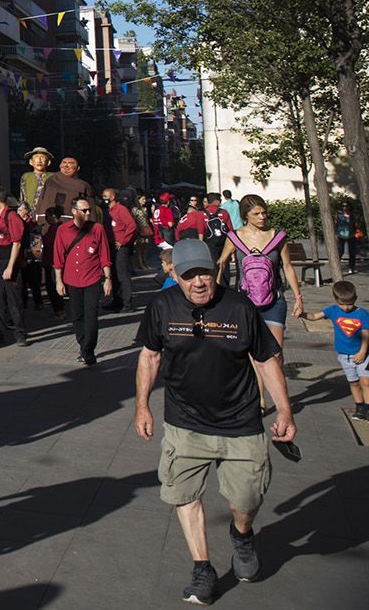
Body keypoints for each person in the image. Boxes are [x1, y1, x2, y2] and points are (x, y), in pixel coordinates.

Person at [133, 239, 294, 604]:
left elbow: (267, 359)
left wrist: (285, 410)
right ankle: (202, 568)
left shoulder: (240, 307)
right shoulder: (162, 306)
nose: (199, 282)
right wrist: (141, 405)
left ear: (216, 270)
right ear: (175, 274)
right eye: (188, 275)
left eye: (204, 272)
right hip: (184, 422)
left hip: (240, 421)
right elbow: (149, 357)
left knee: (247, 499)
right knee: (184, 495)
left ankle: (242, 535)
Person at [215, 195, 304, 413]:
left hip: (274, 300)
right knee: (253, 353)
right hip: (246, 302)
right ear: (245, 215)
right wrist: (216, 294)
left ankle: (278, 395)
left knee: (275, 352)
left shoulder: (277, 236)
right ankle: (260, 399)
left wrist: (299, 298)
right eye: (256, 214)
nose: (262, 217)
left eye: (264, 212)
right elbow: (221, 262)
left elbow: (288, 267)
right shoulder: (235, 237)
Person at [52, 197, 114, 366]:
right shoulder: (63, 230)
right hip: (71, 279)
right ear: (74, 212)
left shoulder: (98, 229)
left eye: (89, 210)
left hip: (92, 278)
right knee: (77, 316)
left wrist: (107, 279)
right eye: (84, 210)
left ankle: (88, 349)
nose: (88, 213)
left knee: (91, 315)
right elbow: (58, 258)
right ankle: (83, 345)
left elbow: (104, 256)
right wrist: (58, 281)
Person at [302, 280, 369, 420]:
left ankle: (368, 407)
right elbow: (314, 316)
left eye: (349, 303)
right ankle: (360, 406)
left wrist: (362, 352)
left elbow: (365, 335)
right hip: (344, 355)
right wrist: (302, 314)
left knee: (366, 382)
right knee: (354, 382)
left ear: (355, 299)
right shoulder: (333, 310)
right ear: (336, 300)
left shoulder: (362, 314)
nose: (346, 308)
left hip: (362, 354)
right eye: (342, 304)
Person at [0, 188, 27, 346]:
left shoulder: (12, 217)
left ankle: (20, 333)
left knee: (13, 299)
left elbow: (17, 243)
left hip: (9, 259)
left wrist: (10, 267)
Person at [102, 187, 138, 312]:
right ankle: (117, 300)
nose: (104, 198)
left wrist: (123, 241)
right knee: (115, 275)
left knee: (122, 275)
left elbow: (132, 225)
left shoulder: (120, 209)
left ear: (112, 197)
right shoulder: (108, 210)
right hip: (111, 245)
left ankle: (127, 303)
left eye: (106, 196)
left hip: (121, 247)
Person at [34, 156, 95, 220]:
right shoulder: (51, 181)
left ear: (78, 168)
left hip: (72, 222)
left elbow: (90, 208)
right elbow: (41, 199)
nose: (66, 165)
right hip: (48, 221)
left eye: (71, 163)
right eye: (64, 162)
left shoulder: (83, 186)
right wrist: (37, 217)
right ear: (60, 166)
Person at [17, 147, 54, 217]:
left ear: (48, 162)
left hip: (47, 213)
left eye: (42, 157)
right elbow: (22, 196)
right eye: (36, 157)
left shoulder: (53, 177)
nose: (39, 160)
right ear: (31, 162)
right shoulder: (26, 176)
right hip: (30, 214)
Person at [131, 194, 155, 272]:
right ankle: (141, 263)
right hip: (139, 229)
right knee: (139, 248)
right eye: (143, 199)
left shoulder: (144, 208)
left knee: (145, 247)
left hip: (146, 228)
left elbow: (147, 219)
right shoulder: (135, 209)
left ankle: (145, 262)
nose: (144, 201)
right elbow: (134, 220)